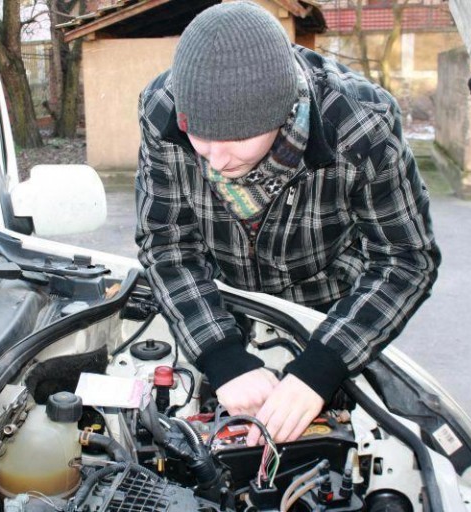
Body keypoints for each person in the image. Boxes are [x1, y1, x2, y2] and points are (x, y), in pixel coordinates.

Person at [135, 1, 440, 447]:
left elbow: (406, 259)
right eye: (197, 134)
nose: (215, 160)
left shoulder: (361, 125)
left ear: (282, 114)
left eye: (237, 137)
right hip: (218, 305)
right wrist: (220, 355)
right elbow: (167, 245)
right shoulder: (162, 109)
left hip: (329, 317)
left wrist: (322, 368)